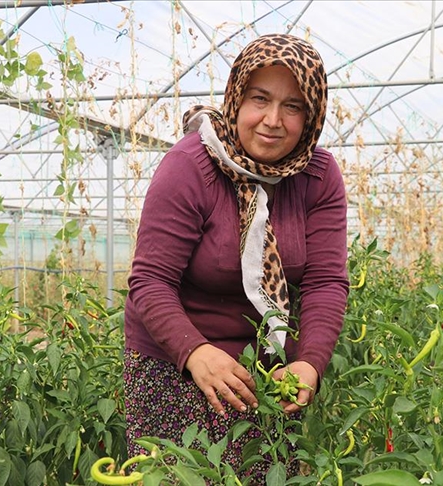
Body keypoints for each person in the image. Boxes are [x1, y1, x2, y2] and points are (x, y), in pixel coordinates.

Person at [122, 33, 349, 478]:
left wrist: (308, 362)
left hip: (264, 373)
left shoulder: (318, 178)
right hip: (173, 364)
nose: (272, 120)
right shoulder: (192, 165)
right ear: (236, 98)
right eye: (259, 99)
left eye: (293, 106)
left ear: (312, 114)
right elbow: (150, 281)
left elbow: (326, 282)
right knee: (178, 475)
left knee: (261, 474)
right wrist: (195, 353)